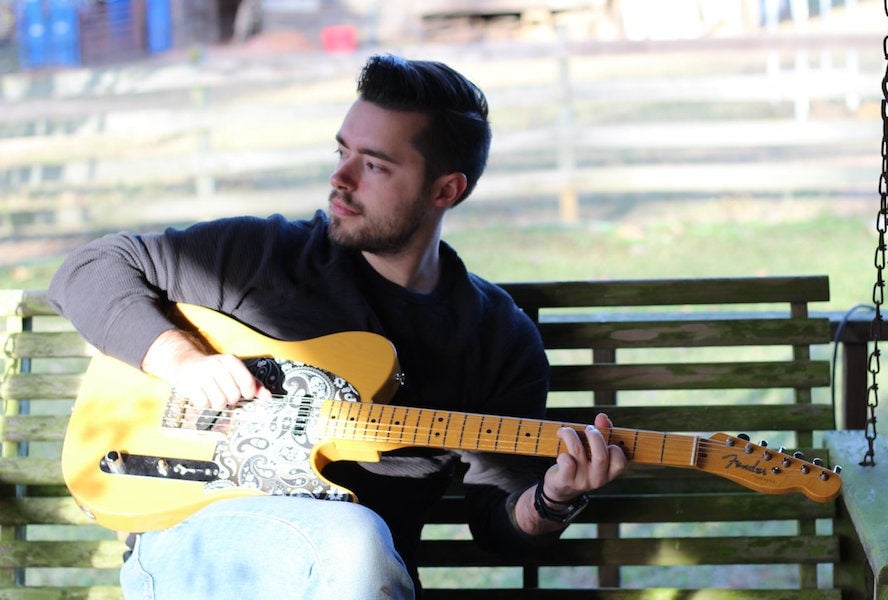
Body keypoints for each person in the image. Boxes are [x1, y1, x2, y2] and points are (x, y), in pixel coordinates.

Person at [48, 54, 628, 599]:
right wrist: (183, 361)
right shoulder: (266, 255)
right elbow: (89, 269)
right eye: (343, 151)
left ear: (446, 189)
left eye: (374, 165)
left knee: (353, 545)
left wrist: (554, 498)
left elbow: (499, 528)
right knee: (353, 542)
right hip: (193, 541)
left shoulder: (495, 339)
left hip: (351, 576)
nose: (341, 179)